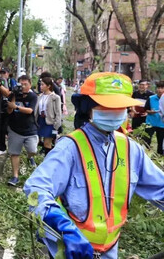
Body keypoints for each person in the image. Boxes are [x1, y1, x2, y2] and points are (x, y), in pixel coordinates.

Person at [24, 72, 164, 258]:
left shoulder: (131, 149)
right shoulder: (70, 148)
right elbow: (36, 188)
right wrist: (63, 227)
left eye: (120, 107)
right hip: (71, 250)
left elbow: (160, 187)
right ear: (88, 107)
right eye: (107, 106)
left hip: (109, 250)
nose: (115, 112)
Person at [6, 75, 39, 186]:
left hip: (30, 129)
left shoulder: (33, 96)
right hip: (15, 129)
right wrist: (14, 96)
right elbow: (9, 110)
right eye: (21, 84)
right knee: (14, 153)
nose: (23, 87)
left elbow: (30, 110)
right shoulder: (13, 94)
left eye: (25, 84)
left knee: (33, 150)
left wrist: (16, 107)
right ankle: (15, 176)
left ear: (30, 84)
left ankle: (30, 157)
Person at [34, 77, 62, 155]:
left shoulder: (55, 97)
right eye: (40, 84)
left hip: (49, 122)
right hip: (40, 120)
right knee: (36, 140)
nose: (40, 86)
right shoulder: (39, 96)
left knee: (47, 143)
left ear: (48, 86)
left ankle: (47, 159)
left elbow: (58, 112)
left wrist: (56, 125)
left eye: (43, 85)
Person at [0, 68, 13, 155]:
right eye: (0, 73)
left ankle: (4, 147)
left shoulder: (10, 81)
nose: (2, 75)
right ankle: (1, 147)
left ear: (7, 73)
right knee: (0, 128)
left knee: (5, 128)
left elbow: (8, 93)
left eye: (3, 73)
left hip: (7, 106)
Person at [143, 81, 164, 155]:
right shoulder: (151, 98)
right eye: (158, 88)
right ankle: (146, 154)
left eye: (162, 88)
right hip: (150, 123)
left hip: (162, 124)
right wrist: (150, 111)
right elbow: (146, 109)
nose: (160, 90)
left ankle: (160, 156)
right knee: (146, 140)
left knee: (161, 142)